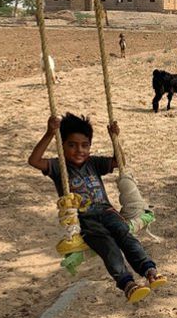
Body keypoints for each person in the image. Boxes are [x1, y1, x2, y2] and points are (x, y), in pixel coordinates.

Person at [28, 113, 166, 303]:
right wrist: (50, 133)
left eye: (85, 145)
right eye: (72, 145)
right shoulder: (59, 166)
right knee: (108, 246)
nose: (79, 150)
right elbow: (34, 161)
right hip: (85, 220)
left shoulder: (93, 163)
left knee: (125, 235)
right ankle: (127, 284)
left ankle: (149, 270)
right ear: (62, 144)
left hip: (107, 212)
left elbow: (119, 162)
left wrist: (114, 138)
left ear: (90, 146)